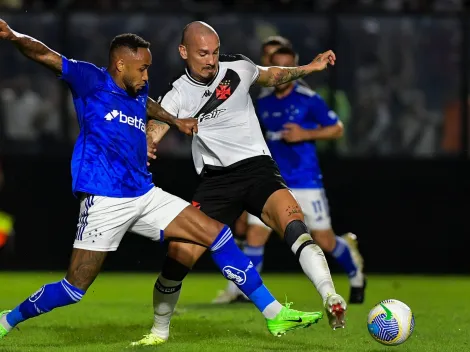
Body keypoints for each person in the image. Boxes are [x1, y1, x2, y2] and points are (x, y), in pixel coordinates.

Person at [0, 19, 324, 343]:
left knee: (217, 234)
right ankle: (8, 319)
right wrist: (12, 35)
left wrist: (174, 120)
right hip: (105, 199)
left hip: (144, 193)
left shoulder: (138, 92)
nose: (146, 77)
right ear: (120, 63)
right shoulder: (91, 80)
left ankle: (273, 314)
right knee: (73, 289)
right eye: (142, 69)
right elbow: (45, 54)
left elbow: (150, 106)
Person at [138, 21, 347, 346]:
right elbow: (158, 126)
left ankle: (331, 297)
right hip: (216, 181)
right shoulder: (178, 93)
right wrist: (148, 142)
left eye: (215, 52)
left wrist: (310, 67)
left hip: (258, 170)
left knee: (294, 224)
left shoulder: (238, 67)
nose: (211, 59)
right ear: (183, 52)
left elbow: (273, 75)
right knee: (179, 255)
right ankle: (159, 331)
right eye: (202, 53)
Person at [214, 46, 366, 305]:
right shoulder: (262, 102)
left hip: (306, 180)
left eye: (289, 66)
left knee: (325, 241)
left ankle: (355, 275)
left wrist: (305, 134)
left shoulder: (309, 99)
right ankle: (246, 293)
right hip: (272, 181)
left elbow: (337, 129)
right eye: (279, 66)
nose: (286, 72)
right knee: (255, 235)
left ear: (294, 67)